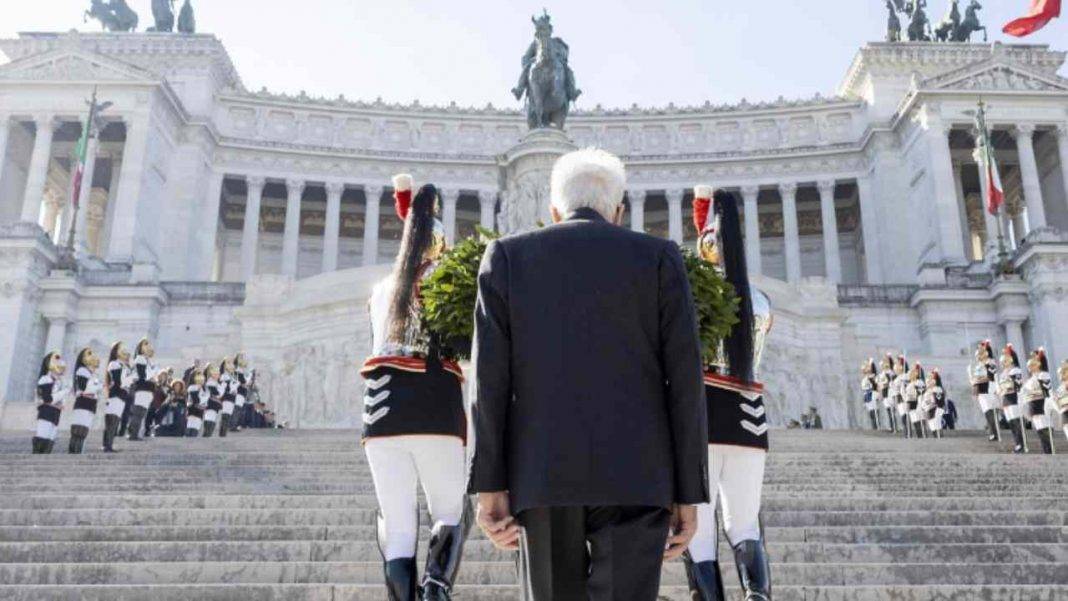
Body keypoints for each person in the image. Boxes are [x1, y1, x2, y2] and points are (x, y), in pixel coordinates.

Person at [470, 149, 708, 601]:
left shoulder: (506, 257)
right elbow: (684, 383)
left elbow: (489, 383)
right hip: (638, 475)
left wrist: (489, 487)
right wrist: (687, 493)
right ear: (618, 211)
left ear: (554, 210)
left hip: (541, 475)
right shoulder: (659, 258)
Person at [359, 175, 470, 601]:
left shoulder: (380, 289)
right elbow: (464, 351)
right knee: (450, 511)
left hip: (379, 413)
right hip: (434, 407)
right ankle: (437, 590)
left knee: (398, 524)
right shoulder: (448, 280)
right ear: (440, 243)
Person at [684, 187, 773, 601]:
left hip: (702, 422)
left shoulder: (693, 300)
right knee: (746, 524)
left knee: (699, 533)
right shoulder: (760, 301)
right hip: (749, 420)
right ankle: (758, 595)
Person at [69, 347, 103, 454]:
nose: (92, 356)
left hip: (90, 404)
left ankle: (78, 452)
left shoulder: (93, 374)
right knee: (79, 430)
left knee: (84, 430)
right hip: (83, 403)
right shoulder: (82, 371)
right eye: (89, 354)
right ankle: (74, 453)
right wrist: (97, 386)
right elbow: (85, 388)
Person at [33, 352, 68, 454]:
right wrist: (64, 392)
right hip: (46, 411)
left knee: (51, 438)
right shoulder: (45, 379)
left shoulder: (58, 381)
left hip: (55, 412)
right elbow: (48, 399)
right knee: (42, 436)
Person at [1022, 349, 1054, 454]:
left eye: (1032, 366)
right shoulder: (1029, 380)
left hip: (1042, 403)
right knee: (1039, 428)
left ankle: (1049, 450)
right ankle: (1046, 450)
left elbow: (1046, 390)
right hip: (1033, 405)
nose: (1030, 368)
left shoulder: (1044, 375)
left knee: (1045, 427)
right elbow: (1024, 393)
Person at [104, 342, 133, 453]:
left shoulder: (125, 366)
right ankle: (107, 445)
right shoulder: (114, 364)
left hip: (122, 396)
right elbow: (118, 381)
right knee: (112, 420)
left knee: (116, 420)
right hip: (115, 395)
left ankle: (109, 444)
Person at [127, 338, 157, 441]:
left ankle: (136, 432)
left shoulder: (147, 360)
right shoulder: (140, 359)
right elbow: (143, 375)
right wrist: (153, 373)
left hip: (147, 388)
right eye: (145, 344)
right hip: (142, 387)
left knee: (142, 412)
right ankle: (133, 433)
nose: (148, 346)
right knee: (138, 412)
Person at [998, 344, 1026, 453]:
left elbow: (1018, 386)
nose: (1002, 363)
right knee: (1011, 423)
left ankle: (1021, 444)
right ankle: (1017, 443)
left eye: (1004, 361)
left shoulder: (1015, 371)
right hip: (1006, 399)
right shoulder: (1002, 374)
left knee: (1016, 421)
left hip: (1014, 397)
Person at [970, 340, 1000, 442]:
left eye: (980, 353)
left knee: (991, 411)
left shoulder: (990, 362)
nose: (978, 355)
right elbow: (974, 379)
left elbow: (992, 376)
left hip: (989, 387)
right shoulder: (977, 366)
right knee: (987, 412)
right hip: (980, 390)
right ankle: (992, 431)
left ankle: (994, 432)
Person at [921, 369, 947, 439]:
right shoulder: (927, 390)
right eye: (928, 377)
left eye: (930, 378)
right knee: (932, 426)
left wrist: (928, 402)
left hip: (935, 409)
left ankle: (939, 439)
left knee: (936, 425)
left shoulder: (937, 389)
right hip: (929, 409)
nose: (928, 380)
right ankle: (937, 438)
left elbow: (937, 400)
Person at [905, 362, 927, 439]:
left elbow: (920, 393)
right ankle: (920, 437)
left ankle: (923, 437)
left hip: (917, 403)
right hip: (910, 404)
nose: (910, 373)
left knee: (920, 422)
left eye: (913, 371)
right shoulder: (909, 383)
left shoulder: (919, 382)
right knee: (915, 422)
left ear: (917, 373)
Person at [877, 354, 896, 433]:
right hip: (885, 393)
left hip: (890, 392)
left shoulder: (892, 373)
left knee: (891, 410)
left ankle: (894, 427)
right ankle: (892, 426)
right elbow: (879, 384)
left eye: (887, 361)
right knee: (888, 410)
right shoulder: (882, 374)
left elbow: (891, 382)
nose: (885, 364)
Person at [891, 355, 910, 437]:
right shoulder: (897, 378)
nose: (895, 367)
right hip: (899, 398)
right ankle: (907, 433)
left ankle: (908, 433)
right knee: (903, 416)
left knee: (905, 416)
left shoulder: (905, 376)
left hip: (904, 398)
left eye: (897, 364)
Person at [218, 357, 237, 437]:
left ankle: (224, 433)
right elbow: (224, 387)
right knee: (225, 416)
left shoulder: (232, 376)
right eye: (228, 363)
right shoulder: (224, 376)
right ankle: (222, 434)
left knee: (227, 416)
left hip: (232, 398)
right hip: (226, 398)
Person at [202, 363, 222, 437]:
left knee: (212, 421)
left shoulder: (214, 382)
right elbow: (217, 394)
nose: (218, 375)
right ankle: (206, 438)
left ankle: (207, 437)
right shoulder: (210, 382)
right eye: (216, 374)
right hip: (211, 404)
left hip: (214, 405)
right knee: (210, 421)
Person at [185, 369, 206, 437]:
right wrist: (198, 389)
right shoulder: (191, 387)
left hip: (199, 412)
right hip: (192, 412)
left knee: (195, 431)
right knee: (189, 431)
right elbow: (195, 399)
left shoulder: (204, 389)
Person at [861, 358, 879, 430]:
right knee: (871, 412)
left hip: (871, 394)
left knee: (874, 411)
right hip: (867, 395)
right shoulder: (865, 378)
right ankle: (874, 426)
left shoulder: (872, 377)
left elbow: (874, 371)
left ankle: (877, 427)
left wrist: (871, 363)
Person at [1054, 360, 1068, 441]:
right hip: (1064, 412)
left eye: (1063, 373)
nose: (1061, 376)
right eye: (1060, 373)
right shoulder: (1059, 388)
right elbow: (1057, 401)